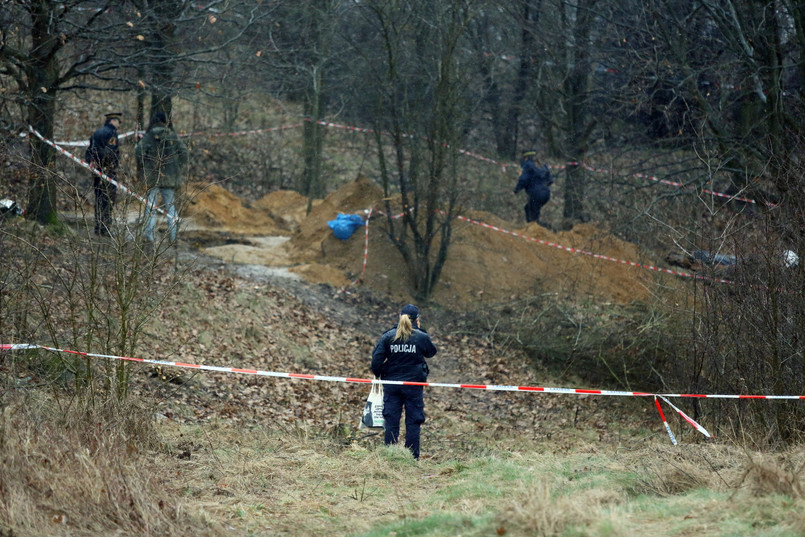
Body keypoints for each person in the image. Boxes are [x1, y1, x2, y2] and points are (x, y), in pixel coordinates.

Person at [371, 304, 438, 460]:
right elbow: (431, 352)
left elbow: (376, 360)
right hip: (414, 386)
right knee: (414, 421)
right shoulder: (421, 337)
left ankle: (390, 457)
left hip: (392, 384)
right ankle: (411, 458)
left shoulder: (388, 336)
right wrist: (420, 331)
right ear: (417, 320)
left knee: (391, 421)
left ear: (399, 317)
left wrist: (379, 374)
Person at [134, 112, 189, 245]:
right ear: (166, 122)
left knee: (150, 208)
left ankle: (149, 238)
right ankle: (173, 237)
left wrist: (144, 167)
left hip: (152, 177)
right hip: (170, 177)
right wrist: (177, 166)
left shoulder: (149, 136)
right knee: (171, 208)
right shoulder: (172, 136)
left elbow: (138, 152)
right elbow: (184, 152)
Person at [85, 112, 122, 236]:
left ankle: (98, 227)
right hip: (107, 171)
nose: (119, 124)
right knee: (108, 199)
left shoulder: (96, 132)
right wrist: (107, 164)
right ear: (113, 121)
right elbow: (110, 152)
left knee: (99, 199)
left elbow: (89, 150)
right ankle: (105, 229)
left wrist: (91, 161)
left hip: (97, 171)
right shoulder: (112, 133)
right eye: (118, 121)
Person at [514, 149, 553, 224]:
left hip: (536, 193)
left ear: (526, 157)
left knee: (532, 213)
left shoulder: (527, 165)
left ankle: (539, 229)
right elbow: (550, 180)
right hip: (546, 193)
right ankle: (534, 227)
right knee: (530, 209)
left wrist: (516, 190)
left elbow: (523, 179)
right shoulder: (542, 165)